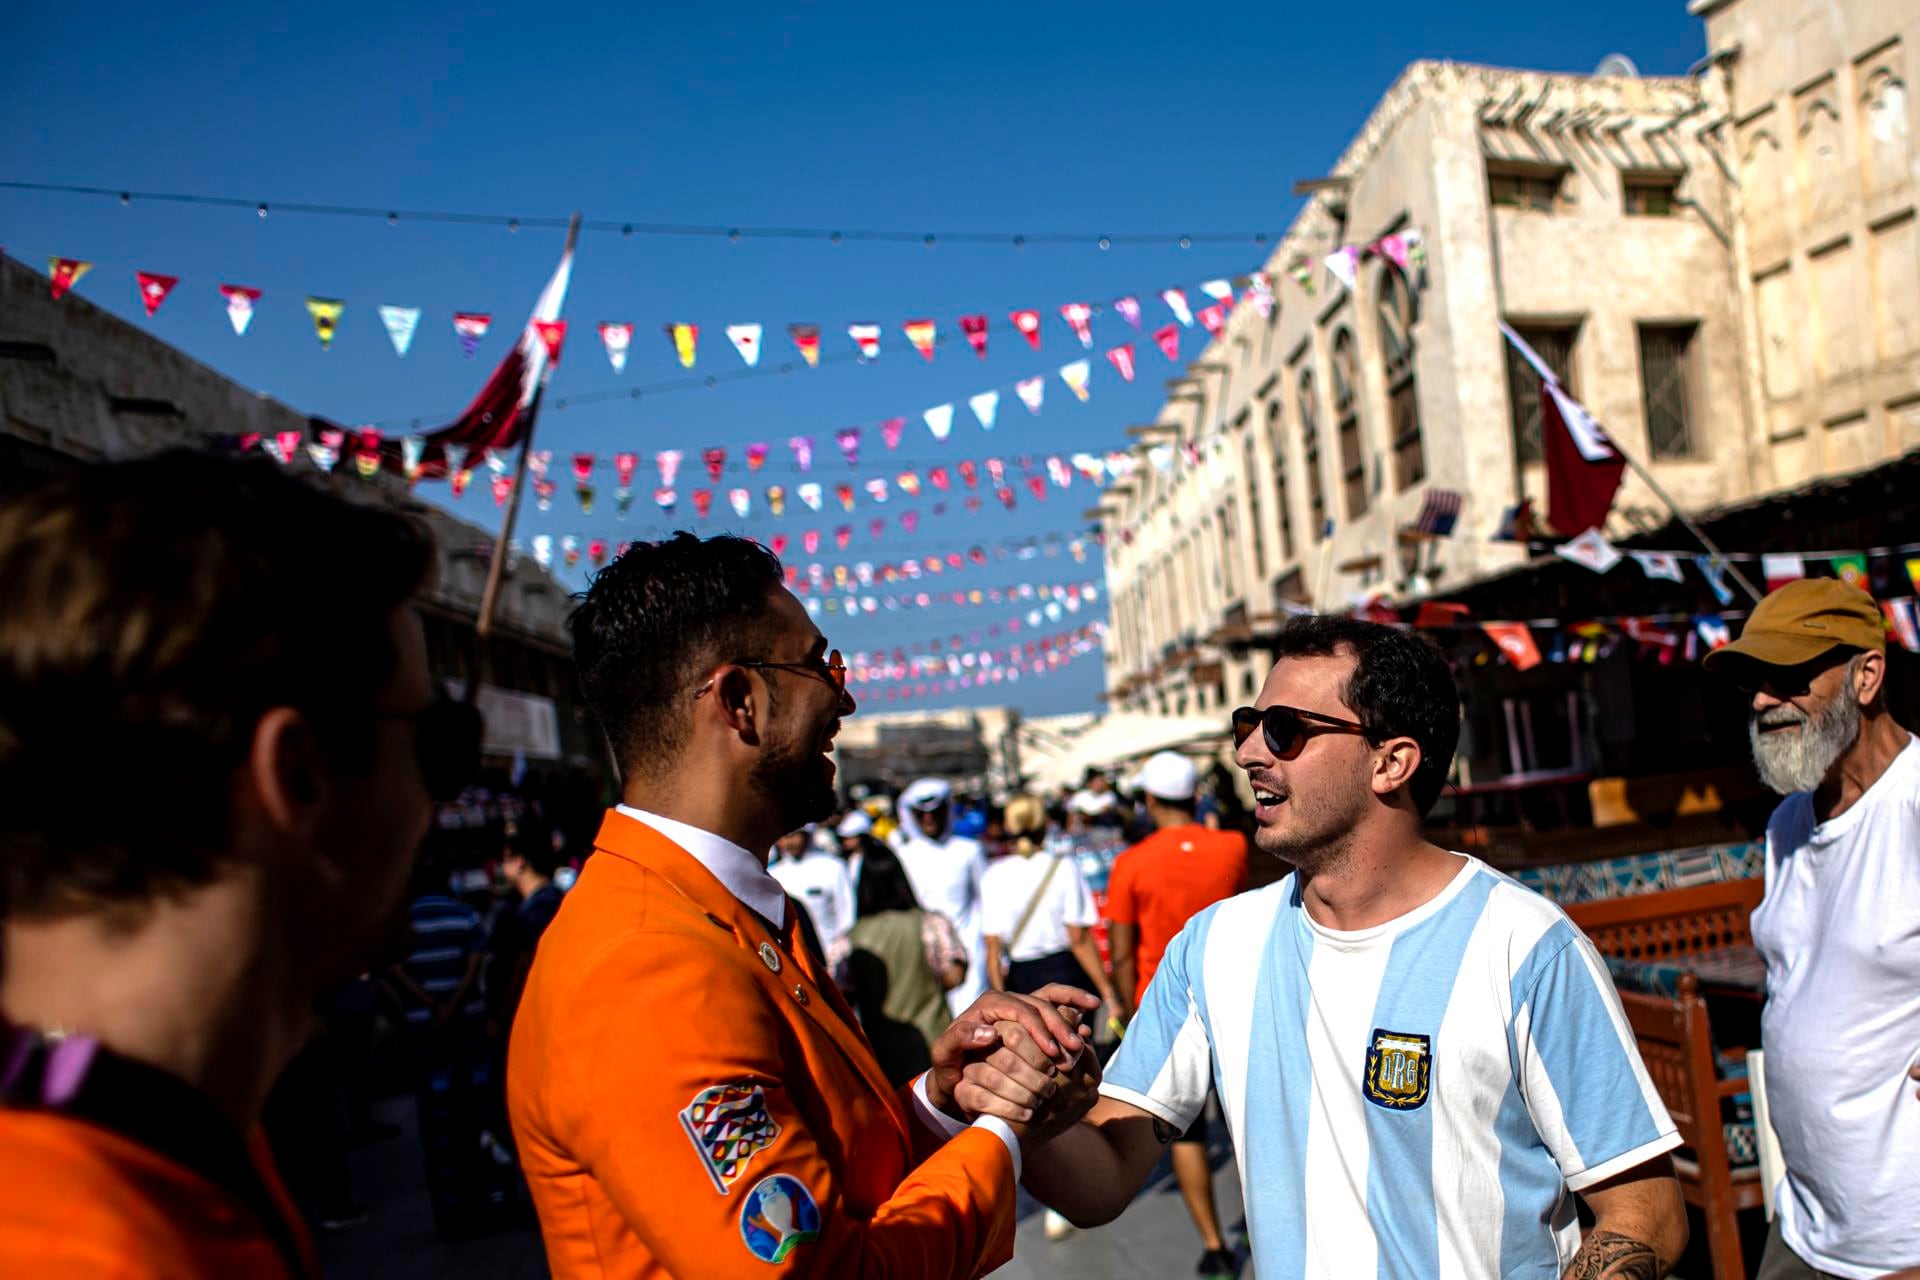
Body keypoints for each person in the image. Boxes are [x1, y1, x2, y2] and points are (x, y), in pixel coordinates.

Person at [964, 617, 1689, 1279]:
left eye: (1284, 729)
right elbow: (1104, 1177)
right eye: (1248, 724)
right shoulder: (1214, 948)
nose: (1248, 752)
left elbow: (1647, 1213)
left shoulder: (1525, 946)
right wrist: (1022, 1103)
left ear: (1391, 762)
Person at [506, 533, 1102, 1279]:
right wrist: (1005, 1128)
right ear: (740, 702)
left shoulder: (711, 910)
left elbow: (831, 1178)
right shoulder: (644, 963)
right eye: (822, 665)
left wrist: (945, 1099)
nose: (844, 698)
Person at [0, 450, 480, 1277]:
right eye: (435, 744)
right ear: (297, 777)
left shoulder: (164, 1138)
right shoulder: (93, 1249)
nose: (435, 804)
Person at [1703, 579, 1920, 1280]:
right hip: (1803, 1223)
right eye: (1754, 681)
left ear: (1867, 675)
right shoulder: (1788, 824)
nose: (1763, 700)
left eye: (1789, 676)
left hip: (1902, 1240)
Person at [1104, 750, 1248, 1280]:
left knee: (1185, 1134)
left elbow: (1122, 952)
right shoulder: (1233, 846)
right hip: (1235, 1000)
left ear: (1148, 800)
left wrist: (1126, 1011)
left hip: (1165, 1012)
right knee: (1246, 1125)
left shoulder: (1131, 863)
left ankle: (1214, 1246)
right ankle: (1262, 1224)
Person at [845, 843, 967, 1086]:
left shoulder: (851, 939)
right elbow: (955, 974)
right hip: (934, 1038)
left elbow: (842, 991)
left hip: (881, 1050)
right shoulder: (930, 924)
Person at [981, 795, 1116, 1011]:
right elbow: (1079, 938)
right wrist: (1108, 993)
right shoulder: (1064, 867)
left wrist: (1001, 999)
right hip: (1066, 972)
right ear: (1044, 825)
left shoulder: (993, 875)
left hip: (1021, 978)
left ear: (1008, 827)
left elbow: (992, 949)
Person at [895, 778, 990, 1014]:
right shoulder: (903, 856)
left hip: (970, 950)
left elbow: (986, 903)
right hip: (927, 954)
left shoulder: (969, 850)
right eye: (921, 814)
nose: (929, 819)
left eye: (935, 812)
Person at [768, 827, 857, 973]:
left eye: (794, 835)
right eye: (785, 836)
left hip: (833, 958)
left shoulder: (833, 867)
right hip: (795, 962)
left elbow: (847, 913)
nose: (790, 842)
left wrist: (839, 950)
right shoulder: (774, 874)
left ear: (807, 836)